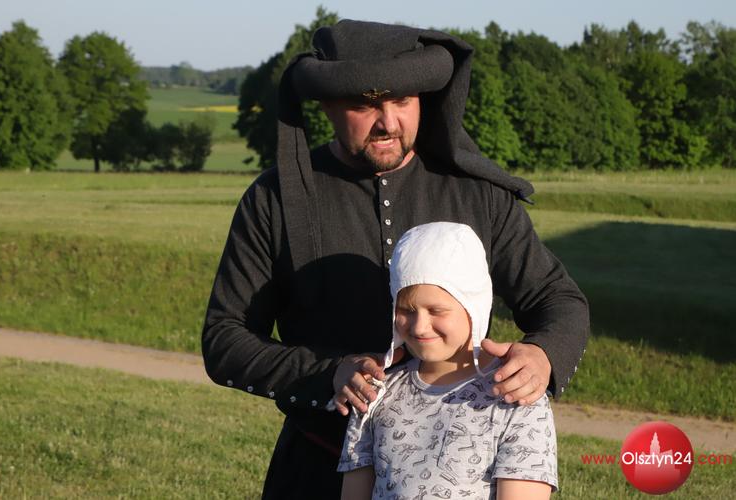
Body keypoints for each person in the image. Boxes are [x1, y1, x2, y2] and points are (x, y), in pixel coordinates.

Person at [202, 19, 588, 499]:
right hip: (311, 469)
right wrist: (327, 375)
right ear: (327, 105)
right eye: (365, 105)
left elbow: (557, 300)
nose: (388, 122)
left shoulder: (478, 195)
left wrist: (544, 354)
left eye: (402, 101)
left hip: (458, 478)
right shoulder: (275, 199)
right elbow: (225, 339)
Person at [339, 221, 557, 499]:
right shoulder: (376, 393)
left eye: (436, 310)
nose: (419, 327)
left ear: (474, 305)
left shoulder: (515, 396)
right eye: (407, 309)